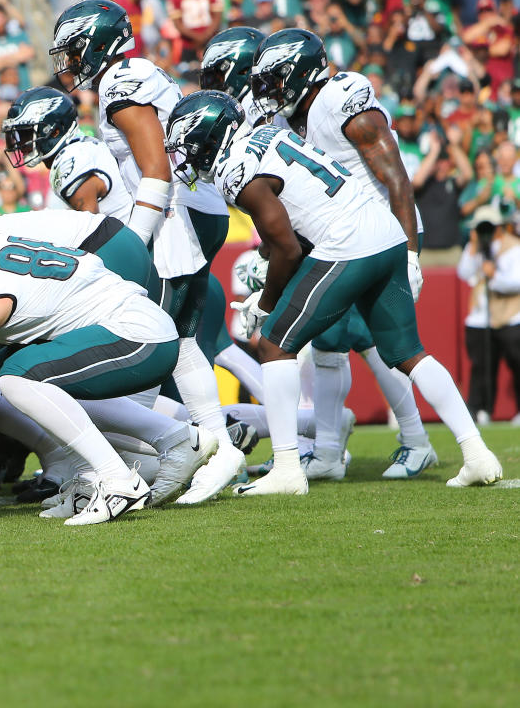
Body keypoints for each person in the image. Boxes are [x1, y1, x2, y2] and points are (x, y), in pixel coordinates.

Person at [165, 90, 503, 496]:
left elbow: (287, 246)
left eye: (189, 144)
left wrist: (268, 302)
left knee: (273, 345)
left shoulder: (235, 167)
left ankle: (289, 468)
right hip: (385, 231)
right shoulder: (269, 137)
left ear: (210, 136)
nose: (187, 157)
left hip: (348, 243)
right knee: (411, 354)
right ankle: (477, 453)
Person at [49, 0, 244, 502]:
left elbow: (155, 169)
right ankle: (213, 448)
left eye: (73, 50)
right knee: (178, 344)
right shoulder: (133, 72)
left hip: (166, 225)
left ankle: (128, 469)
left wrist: (129, 242)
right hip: (183, 218)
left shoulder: (120, 82)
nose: (68, 62)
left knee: (142, 345)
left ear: (96, 43)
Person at [0, 208, 179, 528]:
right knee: (28, 372)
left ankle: (118, 480)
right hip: (139, 323)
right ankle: (90, 480)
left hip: (137, 336)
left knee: (17, 377)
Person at [250, 28, 436, 480]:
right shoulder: (286, 121)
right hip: (341, 239)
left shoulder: (341, 101)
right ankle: (331, 451)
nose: (269, 91)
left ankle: (416, 439)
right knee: (334, 341)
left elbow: (398, 180)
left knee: (385, 344)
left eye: (276, 79)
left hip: (381, 234)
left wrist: (410, 253)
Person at [457, 210, 520, 422]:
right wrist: (473, 247)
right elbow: (464, 273)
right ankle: (480, 409)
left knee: (517, 363)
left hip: (509, 316)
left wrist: (495, 276)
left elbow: (516, 282)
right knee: (481, 366)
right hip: (480, 317)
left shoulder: (513, 247)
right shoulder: (475, 248)